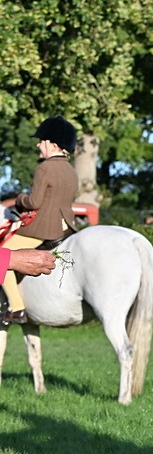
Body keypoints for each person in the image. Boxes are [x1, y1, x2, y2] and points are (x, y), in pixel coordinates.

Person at [2, 117, 79, 323]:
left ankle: (16, 307)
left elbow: (35, 202)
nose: (38, 144)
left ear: (53, 144)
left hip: (43, 228)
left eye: (41, 140)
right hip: (68, 227)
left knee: (4, 254)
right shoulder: (71, 171)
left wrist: (20, 199)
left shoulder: (44, 168)